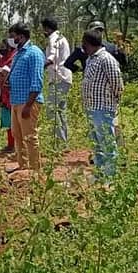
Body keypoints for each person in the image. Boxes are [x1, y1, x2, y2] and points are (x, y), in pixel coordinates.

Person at [80, 29, 124, 179]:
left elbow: (117, 83)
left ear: (90, 43)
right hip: (91, 107)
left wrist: (114, 101)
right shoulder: (91, 59)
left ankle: (110, 176)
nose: (82, 46)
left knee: (107, 143)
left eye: (84, 43)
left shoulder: (106, 59)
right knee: (97, 143)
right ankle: (100, 173)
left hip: (103, 108)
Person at [7, 23, 45, 170]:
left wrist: (29, 105)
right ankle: (23, 167)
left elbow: (37, 80)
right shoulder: (18, 53)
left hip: (27, 102)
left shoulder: (33, 53)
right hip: (16, 100)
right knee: (17, 135)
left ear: (21, 36)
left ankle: (35, 170)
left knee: (29, 137)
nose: (11, 39)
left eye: (13, 36)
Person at [42, 17, 73, 143]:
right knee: (60, 111)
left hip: (58, 77)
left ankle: (59, 141)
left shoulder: (53, 38)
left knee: (51, 110)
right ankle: (63, 140)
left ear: (47, 28)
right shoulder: (61, 37)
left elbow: (51, 58)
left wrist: (39, 66)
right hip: (64, 77)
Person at [0, 37, 17, 153]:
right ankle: (10, 144)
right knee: (8, 121)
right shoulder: (2, 59)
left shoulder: (15, 57)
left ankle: (17, 145)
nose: (2, 49)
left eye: (4, 47)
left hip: (13, 92)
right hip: (3, 93)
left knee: (15, 121)